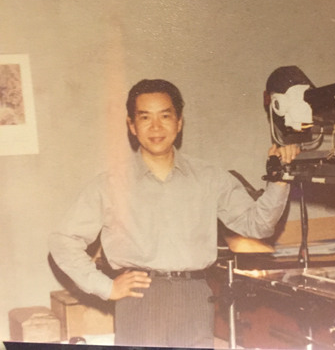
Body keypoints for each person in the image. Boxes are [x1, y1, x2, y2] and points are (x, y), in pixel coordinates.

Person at [49, 78, 299, 348]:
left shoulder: (210, 178)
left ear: (179, 123)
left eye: (165, 116)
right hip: (139, 300)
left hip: (196, 296)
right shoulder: (109, 184)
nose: (156, 127)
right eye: (145, 117)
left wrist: (280, 179)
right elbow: (63, 241)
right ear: (132, 125)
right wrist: (105, 287)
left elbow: (258, 225)